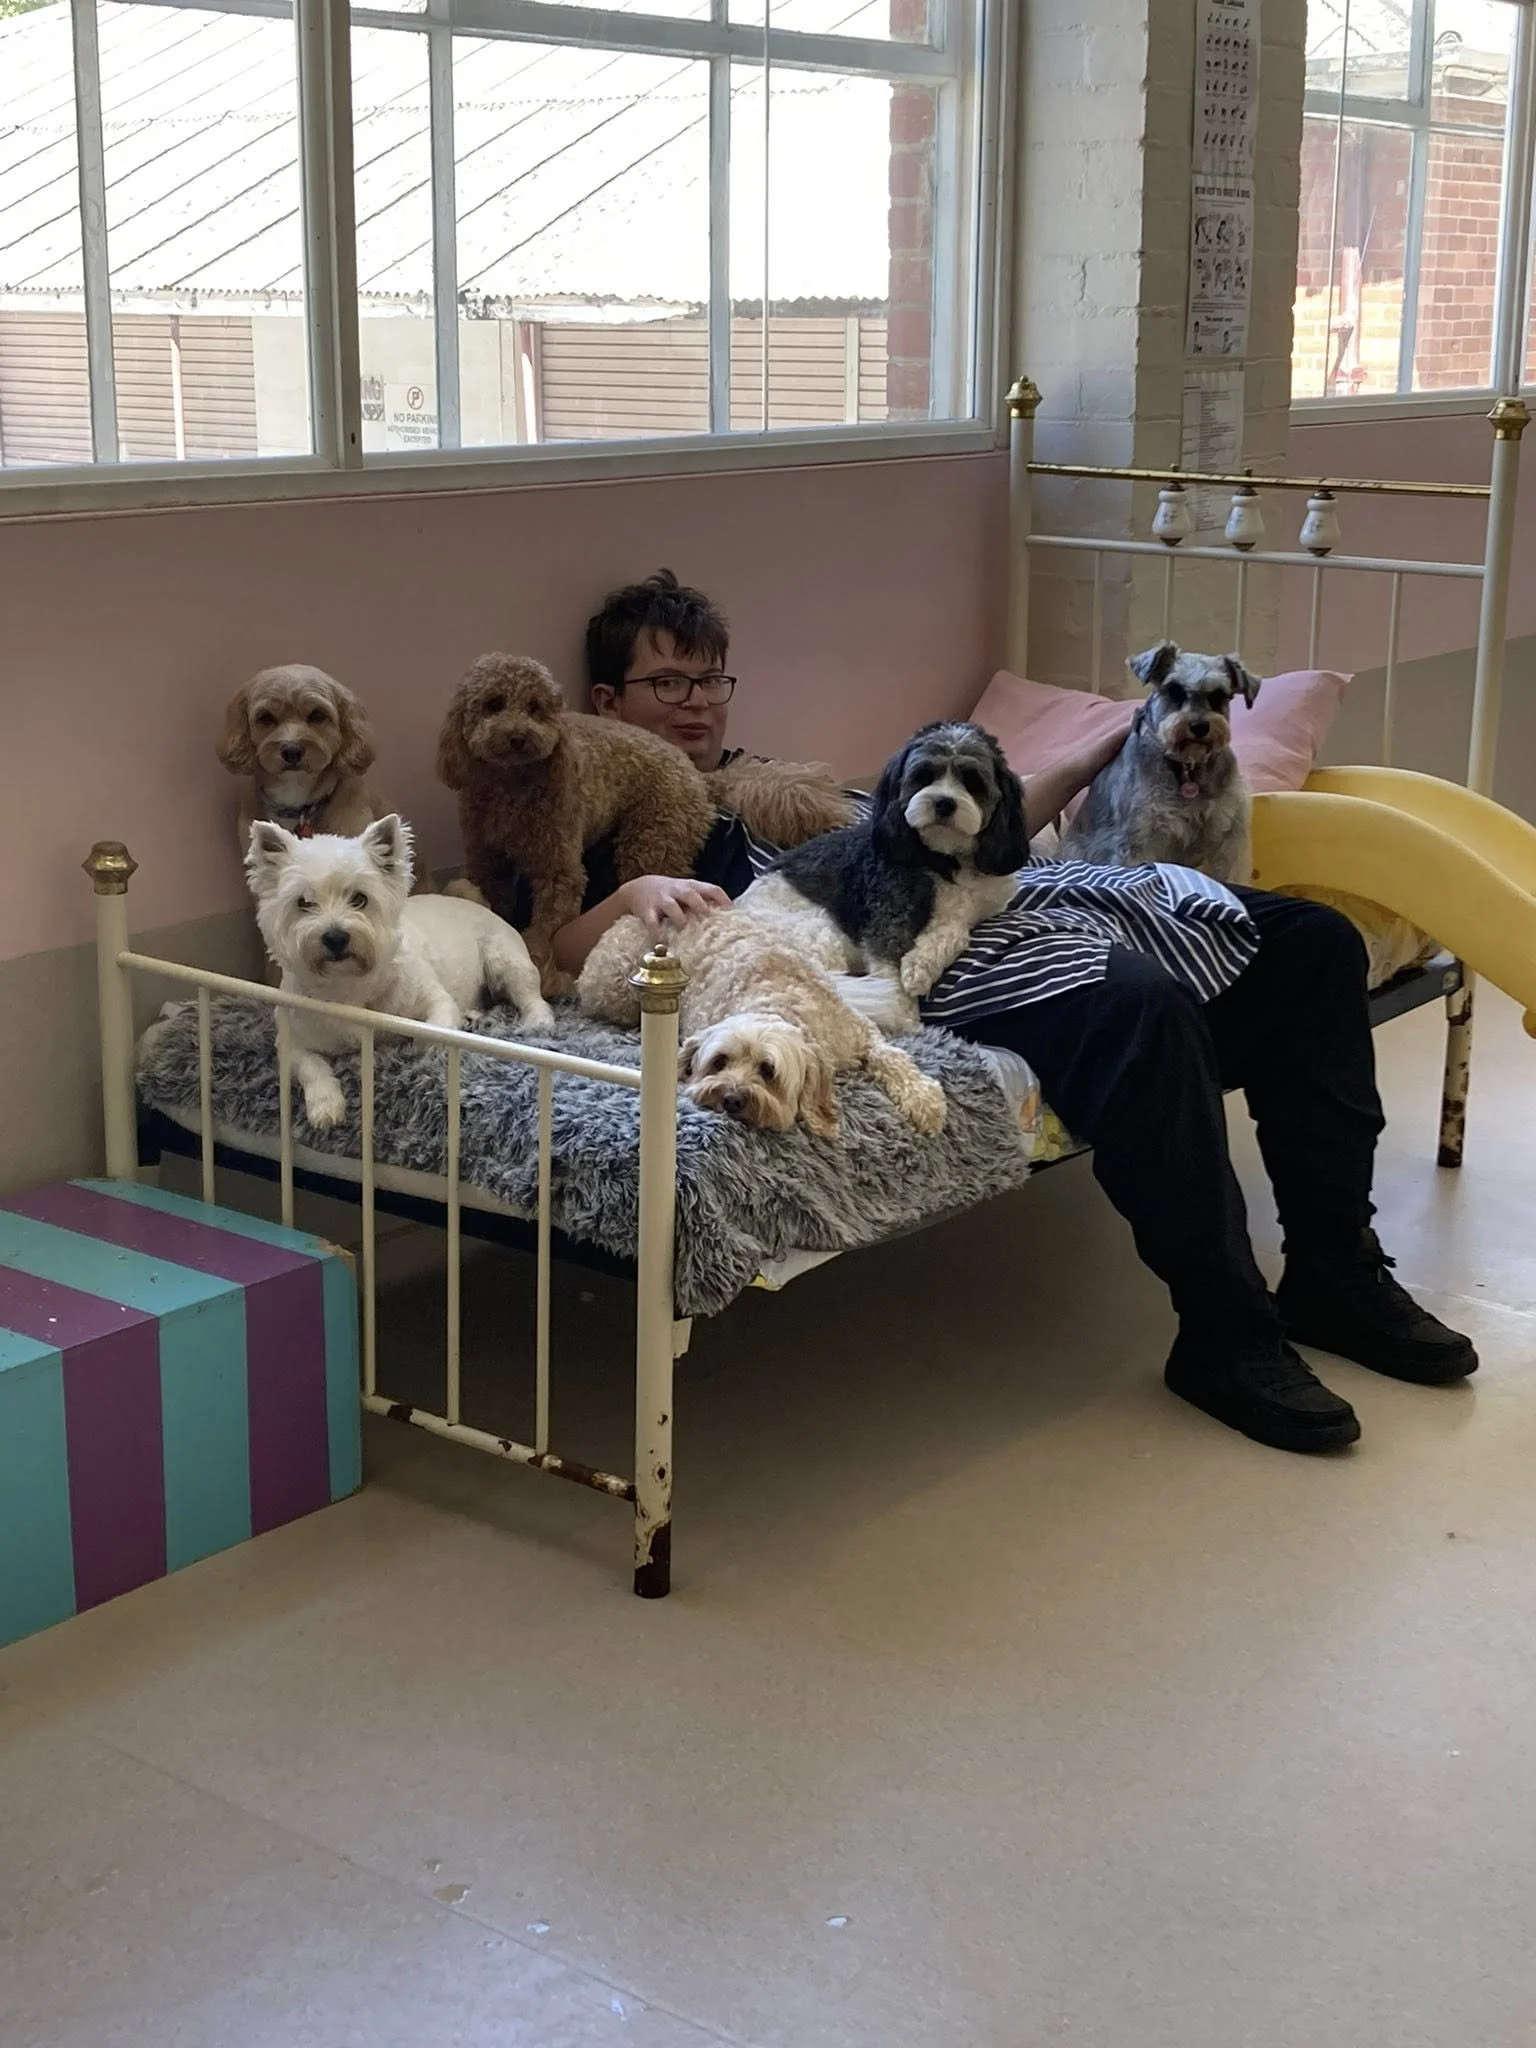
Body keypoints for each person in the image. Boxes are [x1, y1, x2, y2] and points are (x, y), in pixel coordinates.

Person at [553, 569, 1476, 1455]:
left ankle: (1335, 1272)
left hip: (1012, 887)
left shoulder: (779, 778)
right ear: (604, 702)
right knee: (1141, 1011)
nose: (698, 701)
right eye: (666, 680)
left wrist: (1090, 752)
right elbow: (546, 948)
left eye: (710, 676)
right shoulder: (612, 815)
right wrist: (632, 891)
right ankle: (1226, 1333)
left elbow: (983, 830)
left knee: (1314, 943)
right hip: (885, 952)